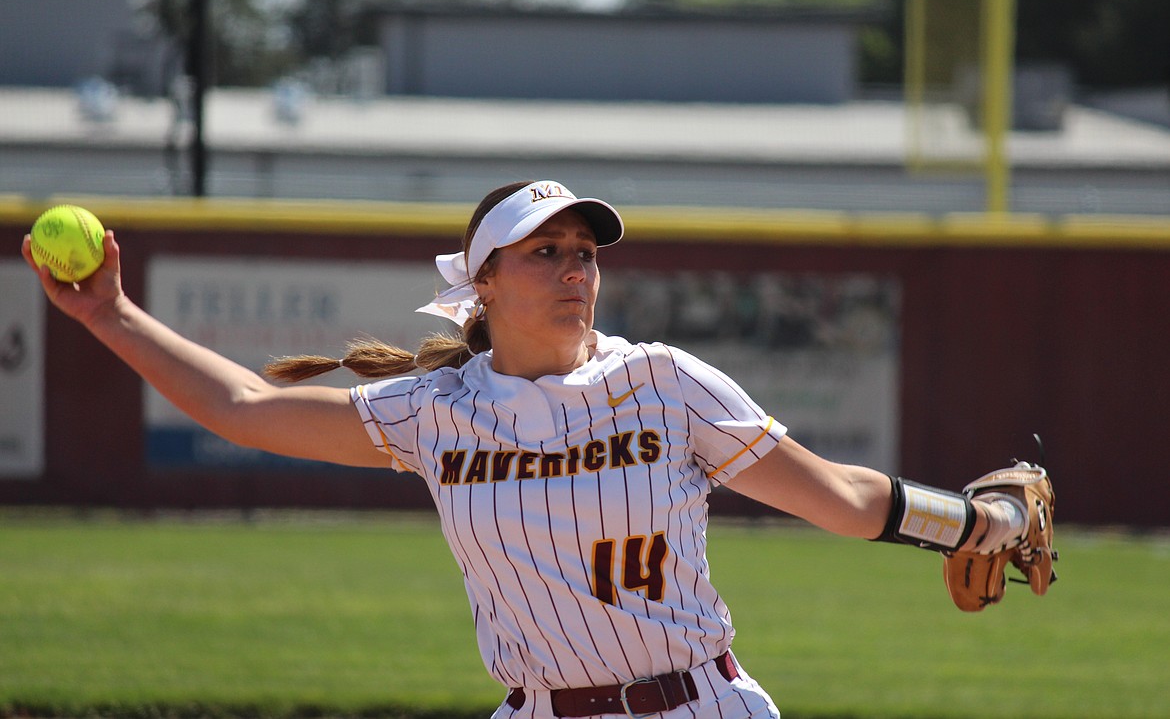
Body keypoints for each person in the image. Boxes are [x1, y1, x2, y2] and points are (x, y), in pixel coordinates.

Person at [22, 179, 1032, 719]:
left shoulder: (662, 384)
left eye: (584, 252)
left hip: (695, 710)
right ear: (483, 285)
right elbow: (244, 405)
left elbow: (844, 502)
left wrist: (979, 521)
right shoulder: (437, 411)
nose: (573, 269)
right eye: (544, 251)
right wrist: (110, 316)